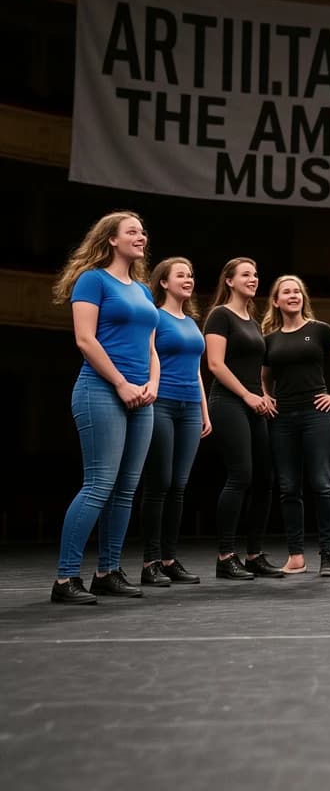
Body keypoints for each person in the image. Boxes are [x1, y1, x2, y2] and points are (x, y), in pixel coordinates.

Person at [51, 211, 159, 604]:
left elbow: (151, 348)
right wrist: (121, 383)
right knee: (99, 485)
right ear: (111, 239)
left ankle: (107, 572)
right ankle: (65, 579)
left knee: (126, 490)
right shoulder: (92, 280)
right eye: (132, 231)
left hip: (141, 395)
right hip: (101, 389)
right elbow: (85, 340)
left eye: (143, 231)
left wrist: (151, 385)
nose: (141, 236)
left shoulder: (144, 291)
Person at [262, 275, 330, 578]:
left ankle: (327, 556)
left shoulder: (319, 331)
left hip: (315, 415)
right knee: (289, 487)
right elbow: (263, 377)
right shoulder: (270, 339)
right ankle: (295, 556)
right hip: (282, 419)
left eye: (297, 291)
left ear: (303, 298)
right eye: (286, 292)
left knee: (322, 483)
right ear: (276, 301)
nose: (293, 295)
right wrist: (265, 395)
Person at [204, 257, 283, 580]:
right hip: (228, 401)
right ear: (230, 281)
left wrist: (261, 393)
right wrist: (248, 395)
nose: (253, 279)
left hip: (253, 403)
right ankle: (226, 556)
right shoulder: (220, 316)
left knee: (265, 479)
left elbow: (255, 370)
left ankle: (254, 554)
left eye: (256, 273)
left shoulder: (252, 321)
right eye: (246, 274)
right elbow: (216, 365)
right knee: (241, 475)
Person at [138, 257, 211, 587]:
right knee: (160, 483)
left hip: (190, 409)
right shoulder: (155, 317)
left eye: (191, 274)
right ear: (164, 282)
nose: (189, 279)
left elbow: (196, 371)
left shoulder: (193, 322)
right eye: (181, 274)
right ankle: (150, 561)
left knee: (179, 485)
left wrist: (204, 411)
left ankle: (169, 558)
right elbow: (147, 357)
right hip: (163, 405)